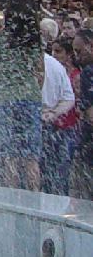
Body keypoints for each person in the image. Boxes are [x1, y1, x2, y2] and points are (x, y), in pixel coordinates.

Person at [0, 0, 44, 191]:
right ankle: (34, 206)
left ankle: (11, 206)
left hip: (5, 99)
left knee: (8, 157)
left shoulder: (0, 41)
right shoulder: (36, 42)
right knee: (31, 158)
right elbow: (40, 73)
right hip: (30, 98)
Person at [41, 45, 77, 194]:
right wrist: (54, 113)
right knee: (54, 173)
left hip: (41, 125)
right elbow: (69, 98)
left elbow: (69, 98)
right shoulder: (55, 65)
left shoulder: (52, 64)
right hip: (49, 124)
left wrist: (52, 113)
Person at [69, 29, 93, 199]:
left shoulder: (88, 73)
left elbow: (90, 115)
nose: (77, 56)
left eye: (79, 51)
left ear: (90, 45)